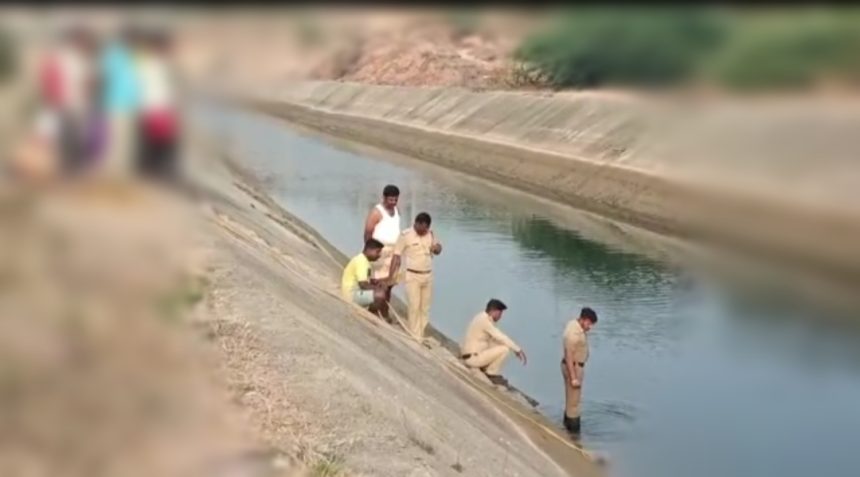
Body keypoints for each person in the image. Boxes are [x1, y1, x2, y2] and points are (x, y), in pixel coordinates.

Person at [135, 28, 181, 181]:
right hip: (154, 108)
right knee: (156, 143)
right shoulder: (150, 64)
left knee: (158, 143)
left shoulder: (152, 64)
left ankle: (153, 172)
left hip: (157, 108)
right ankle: (152, 173)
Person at [388, 212, 442, 339]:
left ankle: (420, 332)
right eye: (420, 229)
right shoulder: (406, 235)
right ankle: (415, 336)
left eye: (425, 229)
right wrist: (391, 276)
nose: (423, 232)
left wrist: (436, 248)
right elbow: (396, 256)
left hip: (427, 276)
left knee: (425, 308)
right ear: (416, 223)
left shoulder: (431, 234)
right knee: (414, 306)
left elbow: (439, 249)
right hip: (412, 276)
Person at [460, 299, 527, 386]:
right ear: (493, 311)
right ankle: (491, 373)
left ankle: (486, 368)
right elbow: (501, 336)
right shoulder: (485, 321)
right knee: (504, 349)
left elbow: (495, 339)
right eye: (500, 313)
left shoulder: (481, 317)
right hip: (472, 359)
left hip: (469, 355)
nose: (500, 317)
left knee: (497, 343)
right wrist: (518, 350)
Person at [363, 184, 401, 317]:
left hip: (393, 251)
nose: (393, 202)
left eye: (395, 200)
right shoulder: (376, 212)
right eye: (391, 200)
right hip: (379, 251)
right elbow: (368, 231)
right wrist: (369, 250)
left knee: (390, 284)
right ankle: (374, 310)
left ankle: (385, 311)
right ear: (384, 198)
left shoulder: (396, 211)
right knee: (376, 282)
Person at [560, 307, 598, 434]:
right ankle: (574, 435)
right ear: (584, 320)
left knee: (570, 400)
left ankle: (565, 428)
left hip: (572, 366)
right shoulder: (573, 334)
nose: (590, 327)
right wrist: (574, 378)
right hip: (574, 367)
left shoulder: (573, 325)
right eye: (589, 324)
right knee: (574, 404)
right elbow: (569, 355)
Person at [341, 239, 388, 312]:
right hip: (351, 294)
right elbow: (363, 285)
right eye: (377, 252)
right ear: (369, 250)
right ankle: (371, 313)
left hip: (354, 292)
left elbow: (364, 279)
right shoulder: (362, 262)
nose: (379, 255)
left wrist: (375, 283)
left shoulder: (364, 261)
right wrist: (377, 288)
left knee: (380, 290)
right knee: (380, 294)